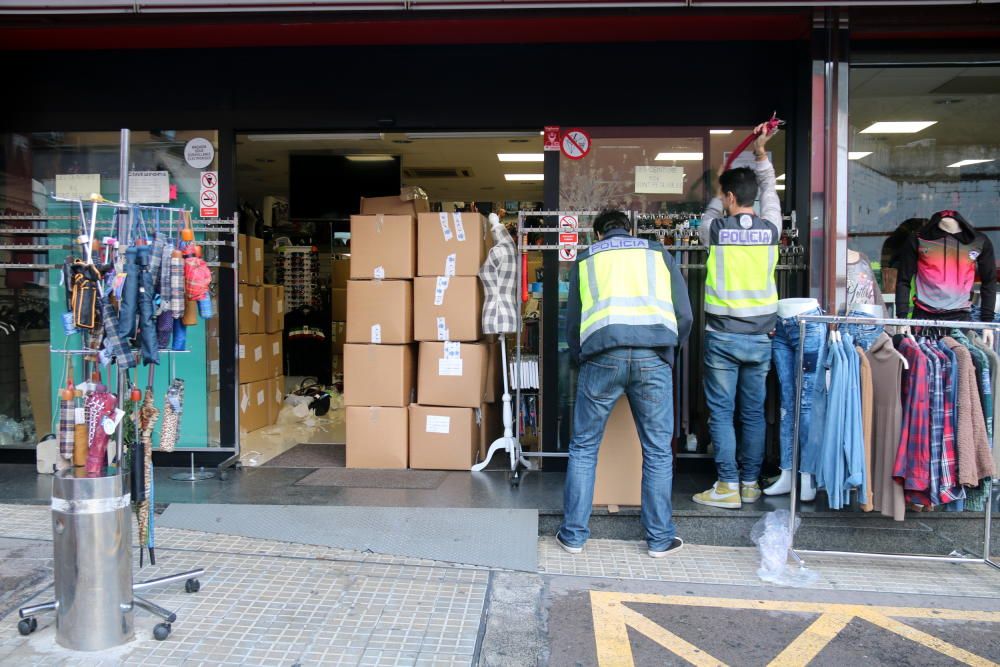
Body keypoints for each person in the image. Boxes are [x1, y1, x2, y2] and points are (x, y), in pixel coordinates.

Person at [559, 210, 693, 557]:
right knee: (658, 450)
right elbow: (685, 314)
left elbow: (573, 321)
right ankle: (660, 540)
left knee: (584, 448)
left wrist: (580, 356)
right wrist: (668, 350)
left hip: (603, 355)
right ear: (630, 230)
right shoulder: (657, 252)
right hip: (653, 356)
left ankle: (574, 536)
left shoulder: (588, 258)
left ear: (598, 234)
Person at [693, 122, 781, 509]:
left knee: (722, 414)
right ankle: (749, 483)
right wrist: (761, 155)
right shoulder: (772, 228)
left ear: (729, 197)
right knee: (754, 414)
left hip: (723, 336)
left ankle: (726, 485)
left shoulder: (715, 229)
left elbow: (706, 218)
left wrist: (716, 195)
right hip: (761, 337)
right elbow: (772, 194)